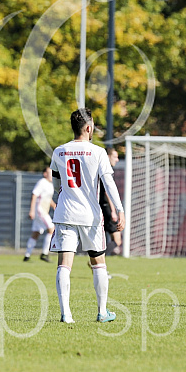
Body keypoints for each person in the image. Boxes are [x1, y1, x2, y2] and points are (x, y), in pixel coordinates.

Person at [50, 108, 125, 323]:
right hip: (90, 216)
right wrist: (120, 210)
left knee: (64, 264)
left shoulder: (59, 151)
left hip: (65, 213)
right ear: (89, 128)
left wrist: (65, 195)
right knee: (98, 262)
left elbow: (56, 184)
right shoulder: (98, 152)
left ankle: (66, 315)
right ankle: (102, 312)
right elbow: (109, 184)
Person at [23, 167, 56, 263]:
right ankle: (44, 253)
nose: (51, 175)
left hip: (43, 211)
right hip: (40, 211)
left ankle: (27, 255)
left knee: (35, 233)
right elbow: (34, 195)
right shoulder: (42, 182)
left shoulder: (50, 184)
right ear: (45, 174)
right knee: (51, 229)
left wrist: (54, 205)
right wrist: (32, 211)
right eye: (49, 173)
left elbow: (48, 198)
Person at [100, 148, 123, 256]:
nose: (117, 160)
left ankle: (98, 260)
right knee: (117, 240)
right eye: (115, 157)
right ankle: (98, 258)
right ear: (107, 156)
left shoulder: (99, 169)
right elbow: (107, 192)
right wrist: (113, 211)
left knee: (101, 239)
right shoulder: (106, 171)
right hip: (106, 208)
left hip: (100, 207)